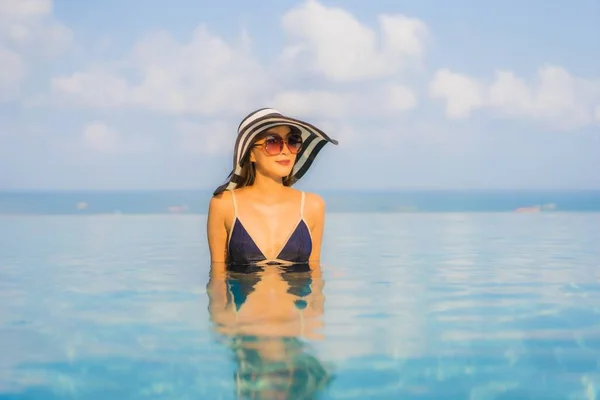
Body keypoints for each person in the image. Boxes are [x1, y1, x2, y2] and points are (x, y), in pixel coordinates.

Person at [207, 108, 338, 269]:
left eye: (292, 141)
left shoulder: (313, 205)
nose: (285, 151)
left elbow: (315, 275)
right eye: (272, 142)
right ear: (251, 154)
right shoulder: (223, 204)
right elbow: (217, 279)